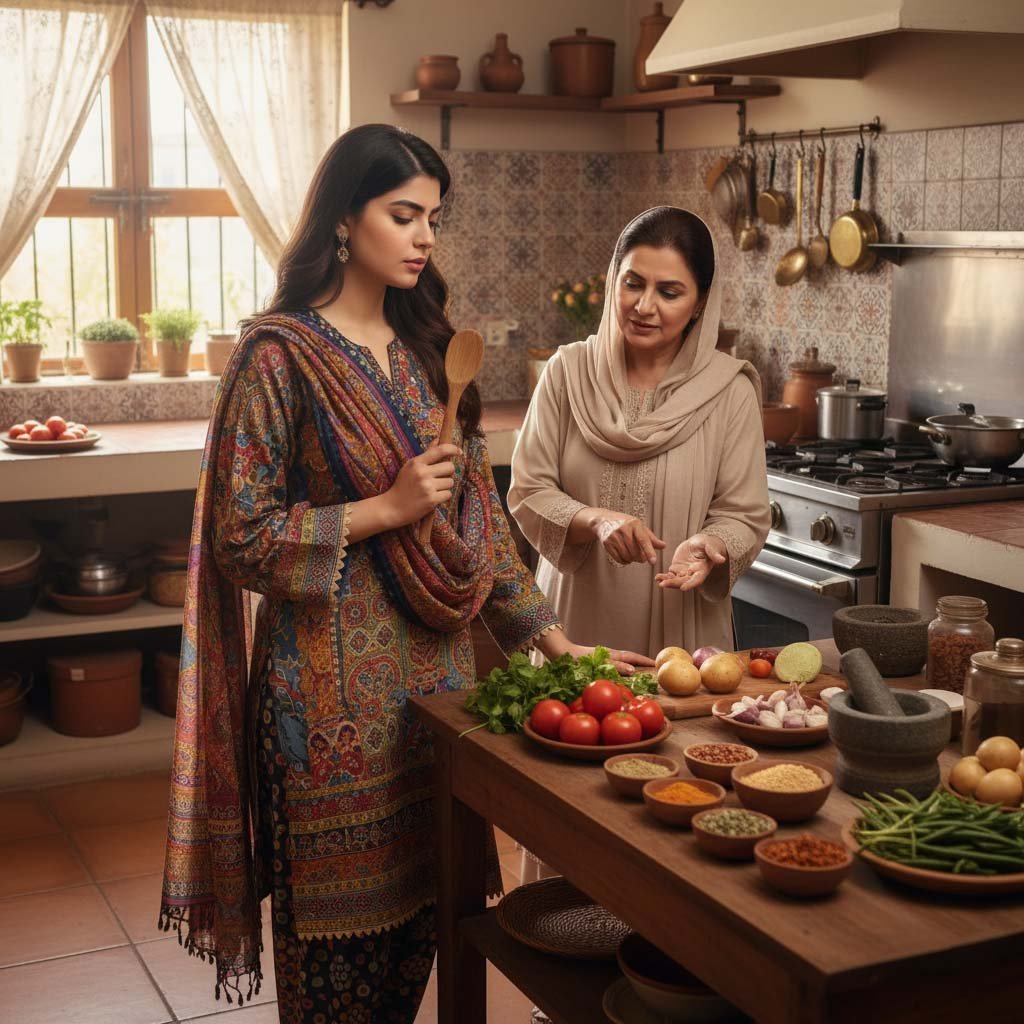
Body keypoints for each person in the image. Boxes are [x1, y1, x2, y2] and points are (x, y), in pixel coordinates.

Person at [158, 124, 650, 1024]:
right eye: (404, 214)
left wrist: (553, 641)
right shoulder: (278, 355)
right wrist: (382, 509)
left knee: (429, 933)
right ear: (344, 220)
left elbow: (481, 526)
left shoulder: (435, 356)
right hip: (324, 705)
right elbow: (238, 535)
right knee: (334, 976)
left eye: (434, 217)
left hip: (440, 695)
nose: (426, 236)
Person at [509, 205, 770, 687]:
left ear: (700, 302)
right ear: (613, 281)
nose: (644, 306)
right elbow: (529, 491)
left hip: (684, 635)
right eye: (633, 283)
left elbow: (745, 515)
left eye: (669, 292)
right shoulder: (567, 373)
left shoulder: (729, 390)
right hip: (572, 625)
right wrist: (598, 519)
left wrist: (709, 545)